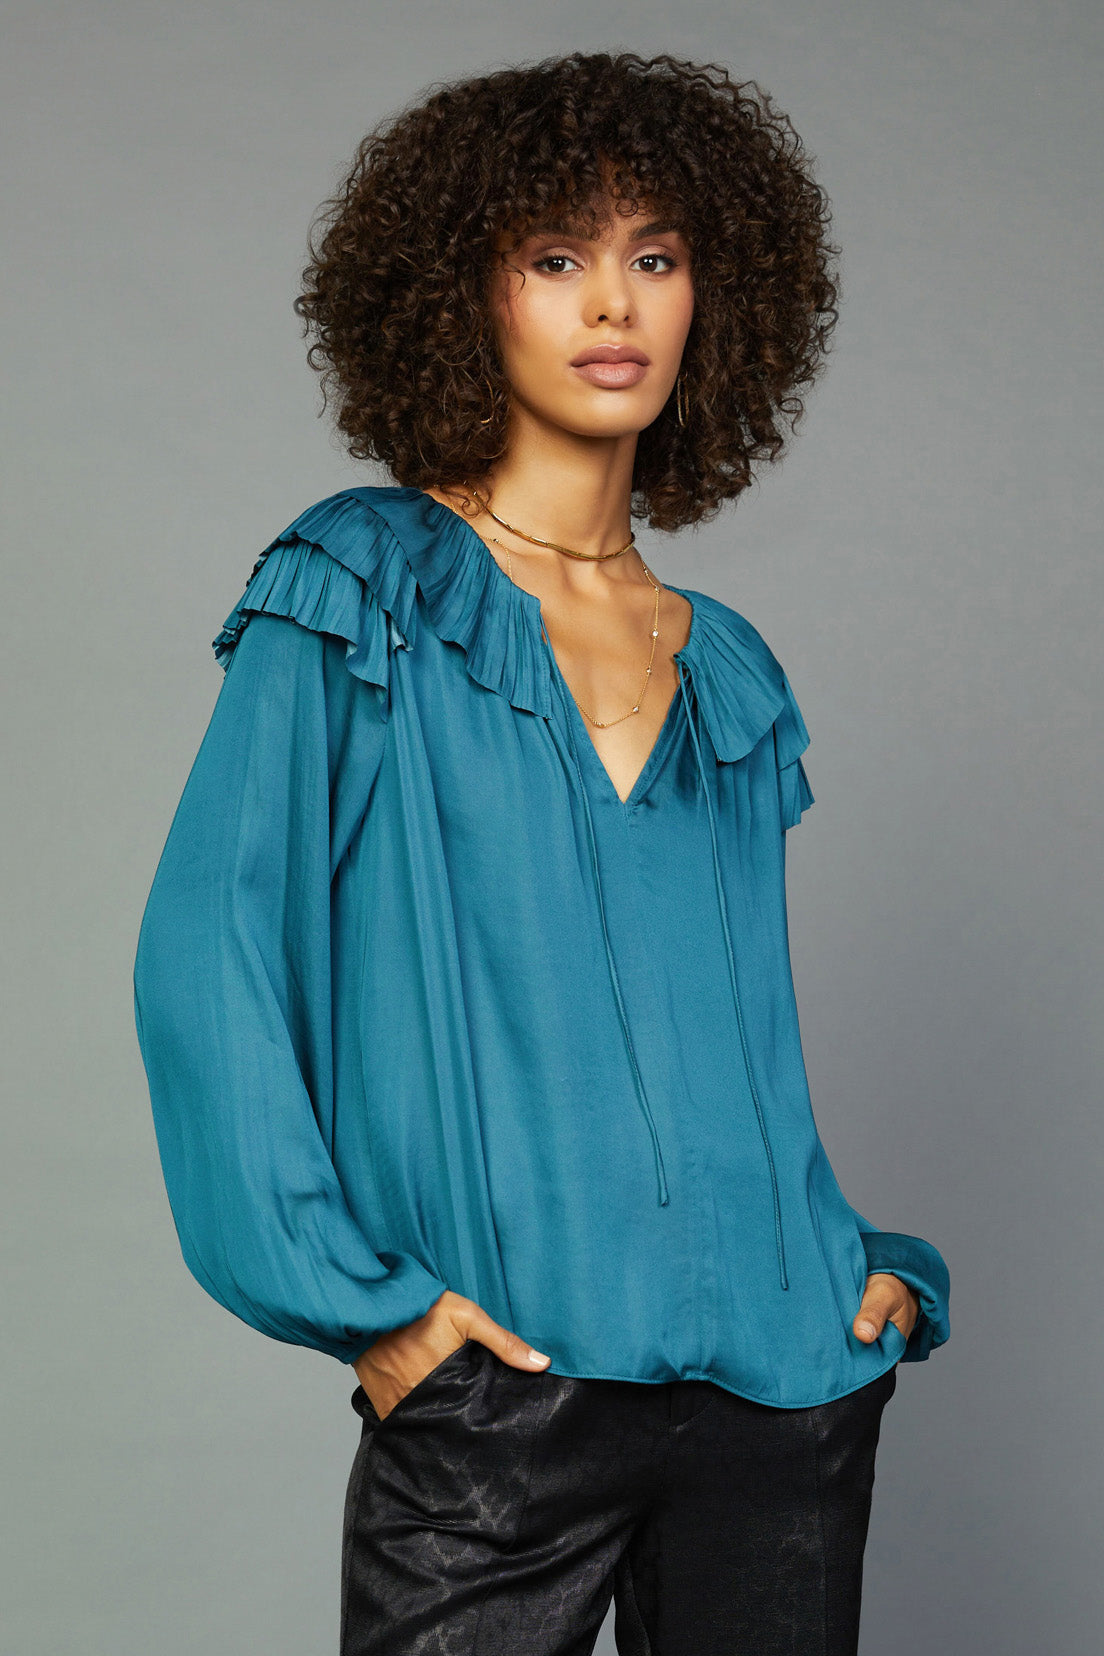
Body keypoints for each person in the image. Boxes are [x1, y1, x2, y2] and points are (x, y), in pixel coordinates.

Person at [133, 49, 951, 1656]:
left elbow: (734, 1039)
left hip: (784, 1385)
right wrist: (362, 1307)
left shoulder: (729, 666)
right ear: (465, 295)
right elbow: (211, 961)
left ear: (719, 297)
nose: (615, 304)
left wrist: (860, 1267)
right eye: (558, 258)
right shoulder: (364, 583)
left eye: (658, 256)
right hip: (498, 1390)